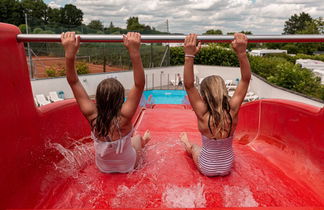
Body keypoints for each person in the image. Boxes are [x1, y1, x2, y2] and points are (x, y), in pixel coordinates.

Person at [61, 32, 151, 173]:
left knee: (132, 141)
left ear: (97, 99)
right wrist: (134, 51)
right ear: (121, 100)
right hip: (127, 166)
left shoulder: (92, 116)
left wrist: (69, 53)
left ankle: (139, 143)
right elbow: (139, 84)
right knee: (137, 139)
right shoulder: (124, 117)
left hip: (103, 167)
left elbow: (73, 81)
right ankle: (144, 141)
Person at [180, 33, 251, 176]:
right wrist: (242, 53)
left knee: (194, 147)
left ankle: (186, 143)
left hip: (206, 167)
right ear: (224, 90)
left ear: (204, 95)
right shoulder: (232, 111)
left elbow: (188, 85)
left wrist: (189, 55)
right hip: (227, 166)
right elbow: (245, 80)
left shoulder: (203, 115)